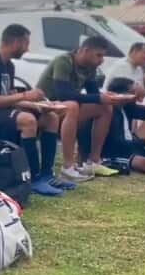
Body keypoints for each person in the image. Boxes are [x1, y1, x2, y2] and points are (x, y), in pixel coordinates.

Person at [0, 24, 70, 195]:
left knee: (51, 117)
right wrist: (26, 96)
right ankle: (34, 177)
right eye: (26, 43)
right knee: (27, 120)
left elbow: (8, 99)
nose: (27, 49)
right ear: (16, 42)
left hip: (0, 112)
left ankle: (47, 174)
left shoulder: (9, 65)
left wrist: (40, 106)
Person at [36, 36, 130, 180]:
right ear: (85, 50)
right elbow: (63, 94)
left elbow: (93, 95)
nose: (102, 60)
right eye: (99, 55)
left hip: (62, 109)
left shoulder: (90, 68)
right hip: (44, 108)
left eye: (103, 56)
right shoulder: (64, 61)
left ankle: (93, 161)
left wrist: (107, 96)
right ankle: (67, 167)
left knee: (105, 107)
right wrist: (98, 98)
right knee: (72, 106)